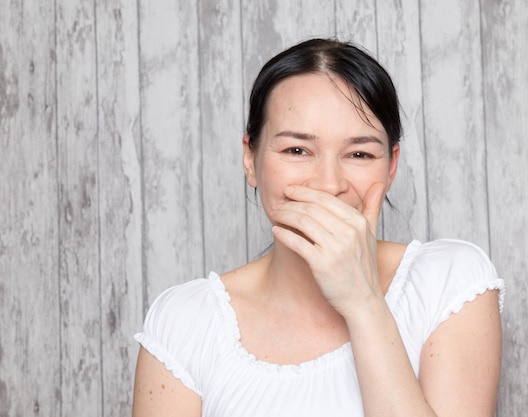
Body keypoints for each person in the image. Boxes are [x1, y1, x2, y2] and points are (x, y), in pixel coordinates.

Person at [132, 38, 504, 417]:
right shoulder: (185, 323)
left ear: (391, 166)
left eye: (359, 154)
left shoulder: (451, 283)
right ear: (250, 158)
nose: (329, 184)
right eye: (297, 150)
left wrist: (363, 302)